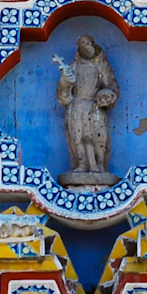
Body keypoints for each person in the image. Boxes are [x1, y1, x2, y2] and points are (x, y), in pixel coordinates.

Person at [56, 36, 119, 186]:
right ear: (79, 48)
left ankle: (99, 166)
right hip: (76, 106)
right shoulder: (73, 67)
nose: (87, 47)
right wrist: (65, 82)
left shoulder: (101, 66)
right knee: (78, 137)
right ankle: (82, 165)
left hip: (95, 106)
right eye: (83, 44)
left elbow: (112, 86)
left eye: (89, 43)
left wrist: (107, 97)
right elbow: (62, 96)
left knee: (98, 138)